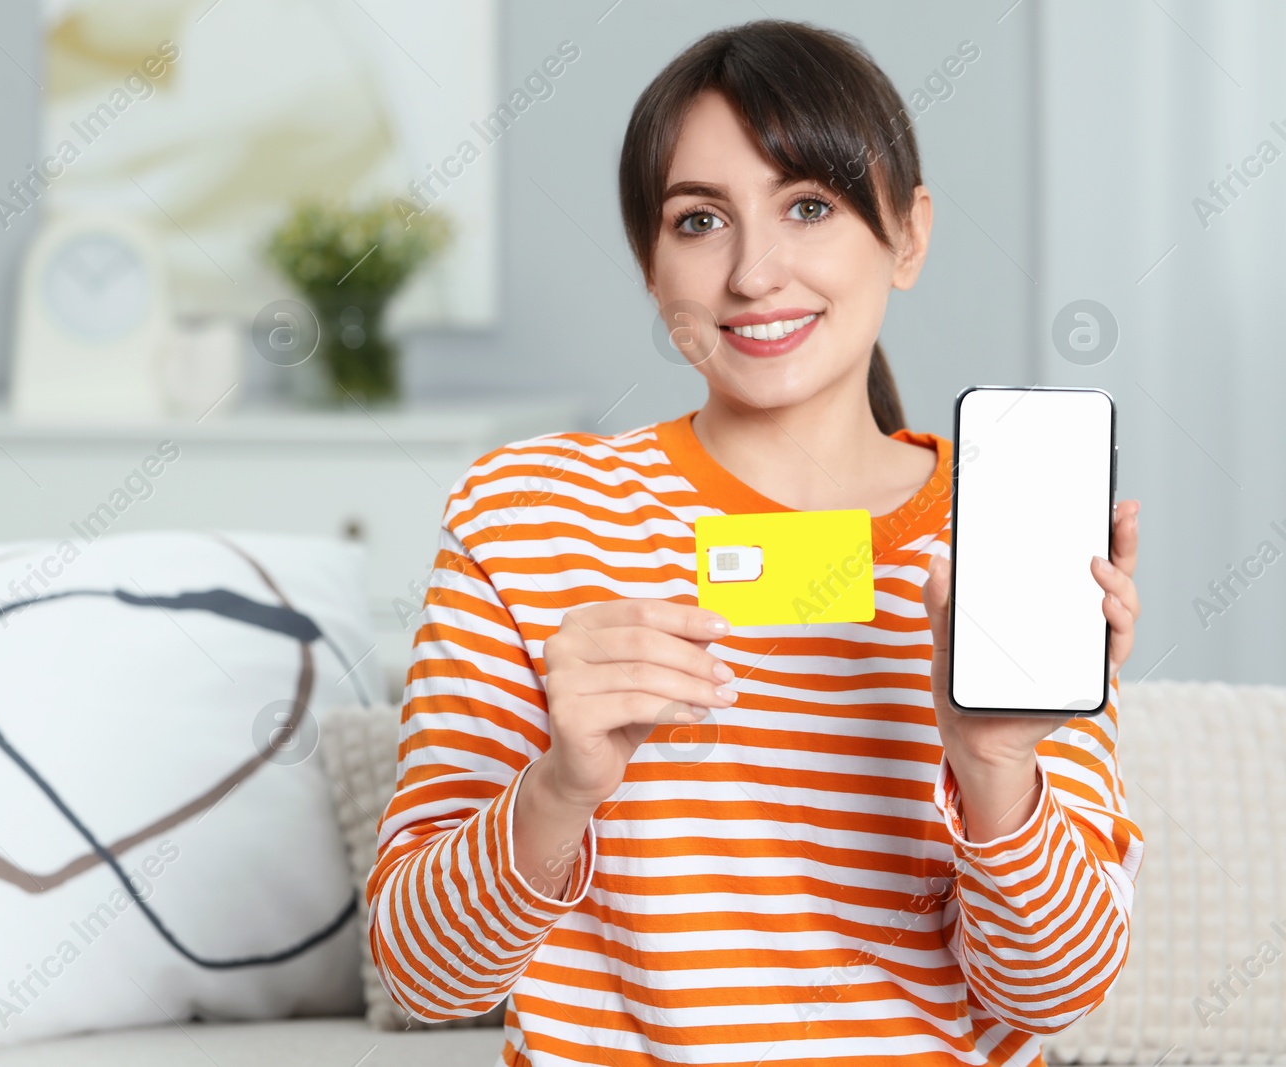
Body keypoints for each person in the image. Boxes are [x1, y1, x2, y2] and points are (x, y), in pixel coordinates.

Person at [367, 18, 1143, 1066]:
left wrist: (995, 761)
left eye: (809, 206)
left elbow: (1053, 994)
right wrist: (560, 787)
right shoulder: (529, 512)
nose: (752, 273)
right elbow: (423, 976)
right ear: (652, 264)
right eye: (698, 221)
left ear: (907, 236)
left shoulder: (1002, 533)